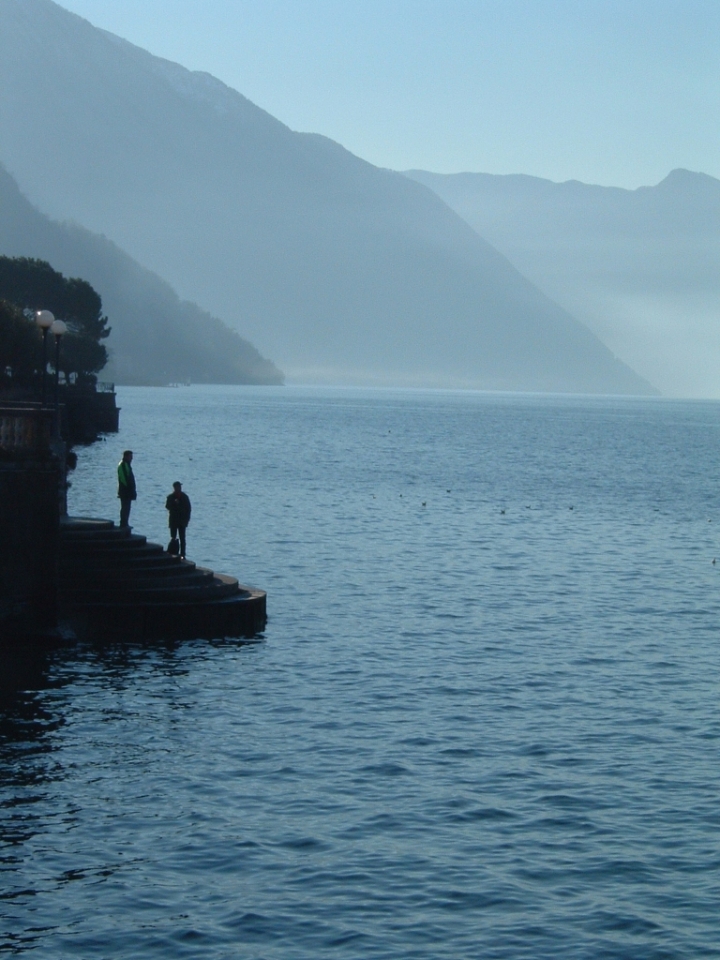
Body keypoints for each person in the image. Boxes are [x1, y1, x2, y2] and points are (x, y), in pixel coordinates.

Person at [165, 481, 191, 559]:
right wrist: (174, 503)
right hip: (173, 521)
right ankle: (173, 552)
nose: (179, 488)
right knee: (173, 538)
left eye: (180, 487)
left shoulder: (185, 497)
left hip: (182, 521)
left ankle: (182, 554)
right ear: (174, 488)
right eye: (177, 487)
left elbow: (188, 509)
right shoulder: (170, 497)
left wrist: (187, 520)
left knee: (182, 539)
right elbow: (167, 506)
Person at [117, 450, 136, 528]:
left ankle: (125, 523)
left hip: (127, 490)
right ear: (126, 456)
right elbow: (124, 479)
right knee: (125, 507)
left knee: (127, 507)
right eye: (130, 457)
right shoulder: (122, 465)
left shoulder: (127, 465)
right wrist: (129, 489)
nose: (131, 458)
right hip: (125, 491)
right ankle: (123, 523)